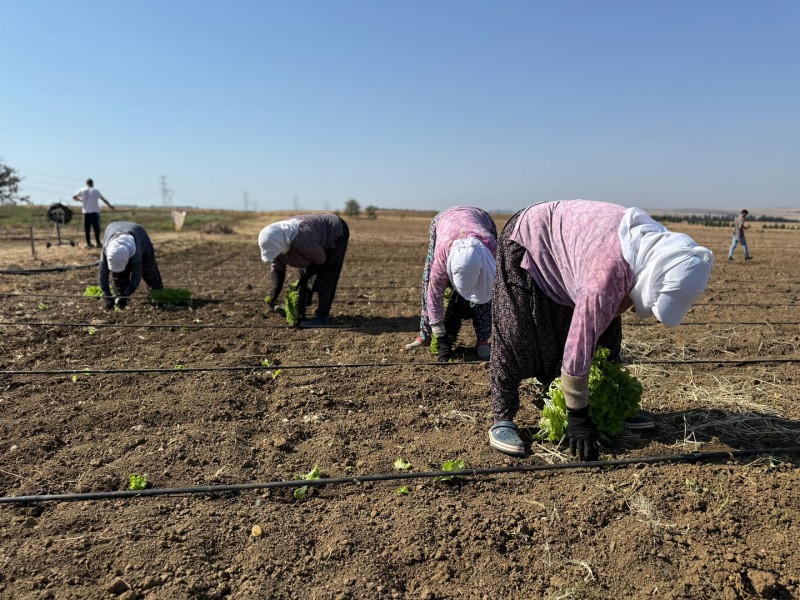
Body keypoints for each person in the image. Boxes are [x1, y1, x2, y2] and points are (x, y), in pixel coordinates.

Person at [488, 200, 714, 460]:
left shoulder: (662, 248)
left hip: (583, 248)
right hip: (530, 237)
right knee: (517, 333)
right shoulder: (606, 278)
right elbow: (579, 344)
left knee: (607, 335)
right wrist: (578, 417)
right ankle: (503, 417)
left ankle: (597, 402)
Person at [405, 207, 497, 361]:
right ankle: (425, 336)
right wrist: (441, 337)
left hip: (481, 218)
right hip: (444, 221)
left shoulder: (491, 248)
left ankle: (483, 341)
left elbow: (495, 292)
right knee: (428, 283)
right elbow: (434, 298)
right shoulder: (441, 258)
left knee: (487, 288)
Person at [259, 213, 349, 328]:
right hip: (311, 237)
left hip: (334, 230)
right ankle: (298, 310)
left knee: (327, 275)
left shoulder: (301, 241)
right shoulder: (278, 242)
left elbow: (321, 260)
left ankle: (322, 317)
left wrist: (305, 278)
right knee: (303, 277)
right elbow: (278, 270)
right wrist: (273, 295)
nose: (276, 256)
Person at [99, 222, 163, 309]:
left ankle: (158, 296)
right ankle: (119, 298)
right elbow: (103, 274)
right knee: (118, 280)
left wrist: (126, 294)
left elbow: (136, 277)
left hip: (139, 235)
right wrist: (107, 296)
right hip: (112, 229)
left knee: (150, 272)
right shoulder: (106, 250)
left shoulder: (135, 251)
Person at [72, 178, 115, 248]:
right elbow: (103, 199)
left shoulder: (82, 190)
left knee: (87, 229)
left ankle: (89, 243)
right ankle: (98, 243)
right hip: (95, 212)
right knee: (96, 229)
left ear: (86, 183)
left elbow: (74, 197)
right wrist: (110, 206)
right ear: (92, 183)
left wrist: (81, 200)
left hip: (86, 213)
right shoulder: (96, 191)